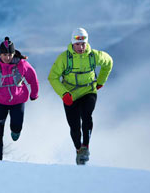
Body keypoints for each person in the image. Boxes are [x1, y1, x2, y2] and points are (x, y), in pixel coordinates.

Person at [48, 27, 113, 165]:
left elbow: (108, 62)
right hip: (70, 95)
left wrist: (100, 81)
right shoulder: (64, 58)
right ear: (72, 43)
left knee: (86, 115)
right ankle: (78, 150)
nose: (81, 47)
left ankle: (85, 147)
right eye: (77, 44)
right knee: (74, 126)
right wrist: (64, 93)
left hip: (88, 91)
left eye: (83, 43)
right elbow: (52, 77)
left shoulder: (94, 55)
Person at [0, 37, 39, 161]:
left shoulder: (23, 65)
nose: (7, 57)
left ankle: (15, 131)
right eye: (5, 54)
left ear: (14, 53)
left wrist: (34, 95)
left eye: (10, 54)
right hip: (0, 102)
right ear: (0, 54)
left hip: (18, 101)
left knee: (16, 128)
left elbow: (33, 79)